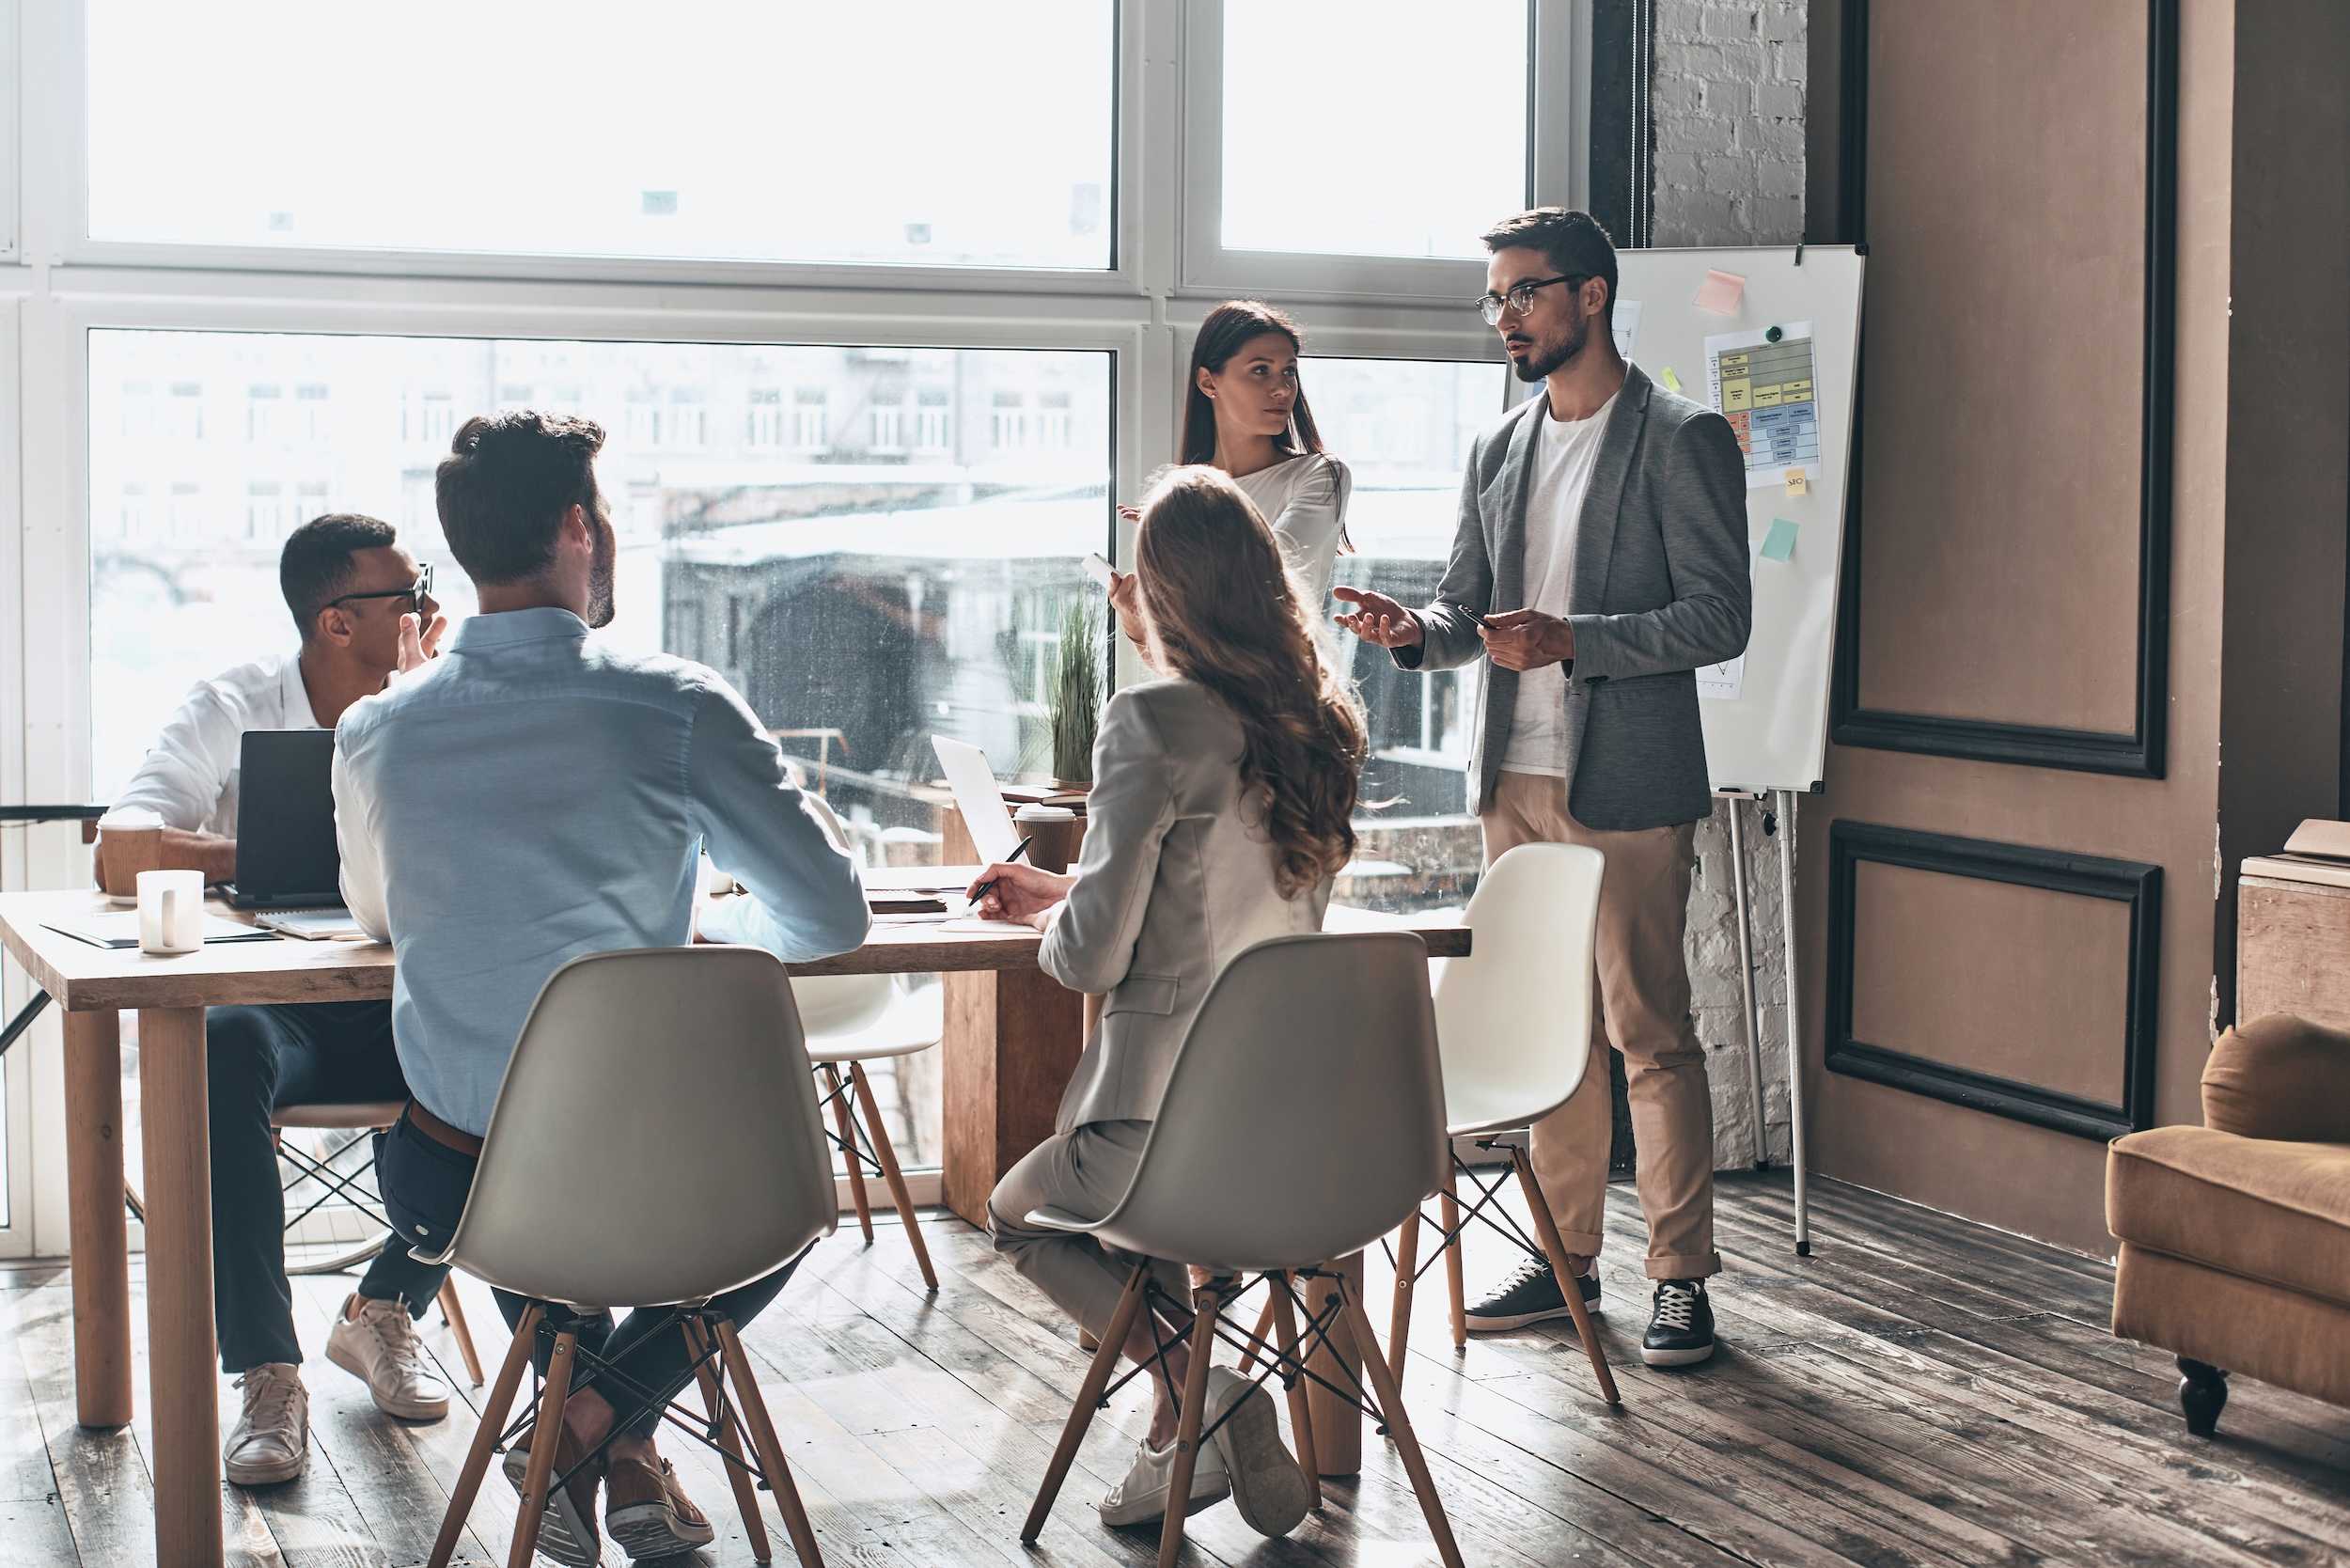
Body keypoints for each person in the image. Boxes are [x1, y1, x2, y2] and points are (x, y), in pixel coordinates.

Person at [337, 411, 870, 1566]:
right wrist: (698, 951)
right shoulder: (674, 703)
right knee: (777, 1191)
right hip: (676, 1182)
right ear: (580, 526)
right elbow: (830, 919)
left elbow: (377, 919)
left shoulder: (376, 728)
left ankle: (592, 1434)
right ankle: (602, 1428)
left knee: (547, 1196)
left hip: (457, 1193)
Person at [1334, 208, 1750, 1369]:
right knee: (1547, 1035)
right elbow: (1470, 612)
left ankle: (1682, 1280)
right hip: (1509, 780)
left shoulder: (1680, 438)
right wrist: (1413, 631)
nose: (1504, 318)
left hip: (1625, 782)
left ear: (1591, 297)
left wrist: (1576, 640)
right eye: (1496, 299)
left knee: (1649, 1036)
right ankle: (1566, 1260)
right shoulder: (1497, 448)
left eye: (1522, 294)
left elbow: (1722, 617)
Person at [977, 465, 1364, 1538]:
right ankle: (1175, 1442)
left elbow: (1092, 964)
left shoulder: (1151, 718)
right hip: (1302, 1131)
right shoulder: (1318, 722)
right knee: (1139, 1237)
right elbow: (1222, 899)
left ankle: (1208, 1393)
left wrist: (1054, 922)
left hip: (1162, 1134)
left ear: (1161, 593)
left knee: (1015, 1219)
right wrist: (1065, 893)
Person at [105, 513, 454, 1488]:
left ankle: (385, 1307)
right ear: (338, 622)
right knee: (220, 1045)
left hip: (408, 999)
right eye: (410, 596)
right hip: (276, 1011)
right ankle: (267, 1370)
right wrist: (263, 852)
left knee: (520, 1042)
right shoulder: (236, 701)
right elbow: (120, 847)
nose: (431, 610)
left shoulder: (439, 704)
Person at [1109, 302, 1350, 662]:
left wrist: (1188, 525)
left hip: (1284, 704)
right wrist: (1136, 623)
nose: (1283, 389)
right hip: (1200, 710)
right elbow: (1183, 665)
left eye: (1289, 371)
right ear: (1208, 382)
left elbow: (1269, 573)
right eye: (1260, 371)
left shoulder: (1320, 475)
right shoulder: (1182, 492)